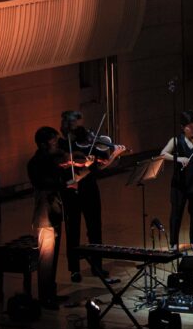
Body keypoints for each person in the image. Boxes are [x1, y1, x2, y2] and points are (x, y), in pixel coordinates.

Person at [60, 110, 123, 283]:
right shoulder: (64, 145)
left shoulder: (90, 144)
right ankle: (74, 269)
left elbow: (99, 168)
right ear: (68, 125)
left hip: (90, 190)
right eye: (76, 124)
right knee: (73, 231)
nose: (85, 131)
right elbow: (71, 168)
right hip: (71, 191)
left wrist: (114, 156)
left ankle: (97, 265)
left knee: (95, 229)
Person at [27, 126, 81, 309]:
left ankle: (51, 293)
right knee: (46, 260)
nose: (57, 144)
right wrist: (65, 182)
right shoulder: (35, 163)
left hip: (55, 213)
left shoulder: (51, 160)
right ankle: (45, 297)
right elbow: (44, 183)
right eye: (53, 142)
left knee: (53, 258)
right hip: (45, 215)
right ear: (43, 144)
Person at [160, 110, 193, 252]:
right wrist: (178, 158)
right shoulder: (176, 140)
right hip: (180, 183)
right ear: (183, 127)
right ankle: (173, 243)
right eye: (190, 127)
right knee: (176, 214)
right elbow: (163, 154)